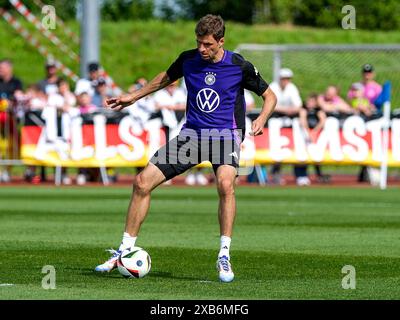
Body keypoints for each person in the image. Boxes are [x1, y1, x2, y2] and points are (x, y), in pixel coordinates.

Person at [95, 14, 277, 282]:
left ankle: (224, 255)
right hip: (191, 135)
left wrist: (262, 118)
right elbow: (164, 79)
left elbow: (269, 96)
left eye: (207, 44)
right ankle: (123, 251)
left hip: (225, 135)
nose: (201, 49)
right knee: (142, 182)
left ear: (221, 41)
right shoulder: (188, 59)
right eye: (198, 43)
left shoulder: (239, 65)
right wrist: (132, 97)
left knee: (226, 185)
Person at [268, 68, 302, 185]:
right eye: (283, 78)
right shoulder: (274, 86)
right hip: (275, 119)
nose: (285, 81)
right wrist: (287, 110)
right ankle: (275, 174)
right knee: (276, 147)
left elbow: (298, 106)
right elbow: (270, 105)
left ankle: (300, 175)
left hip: (289, 120)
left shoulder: (292, 88)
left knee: (296, 146)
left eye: (287, 79)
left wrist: (286, 110)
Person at [298, 93, 330, 185]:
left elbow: (323, 120)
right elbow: (303, 120)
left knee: (316, 156)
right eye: (309, 101)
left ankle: (319, 175)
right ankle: (303, 175)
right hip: (304, 135)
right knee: (304, 155)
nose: (309, 103)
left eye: (312, 101)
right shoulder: (304, 109)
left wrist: (315, 131)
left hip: (315, 135)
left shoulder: (318, 110)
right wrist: (308, 132)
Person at [0, 59, 23, 182]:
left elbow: (19, 97)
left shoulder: (16, 82)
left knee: (12, 146)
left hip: (11, 120)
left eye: (2, 68)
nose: (0, 70)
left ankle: (7, 170)